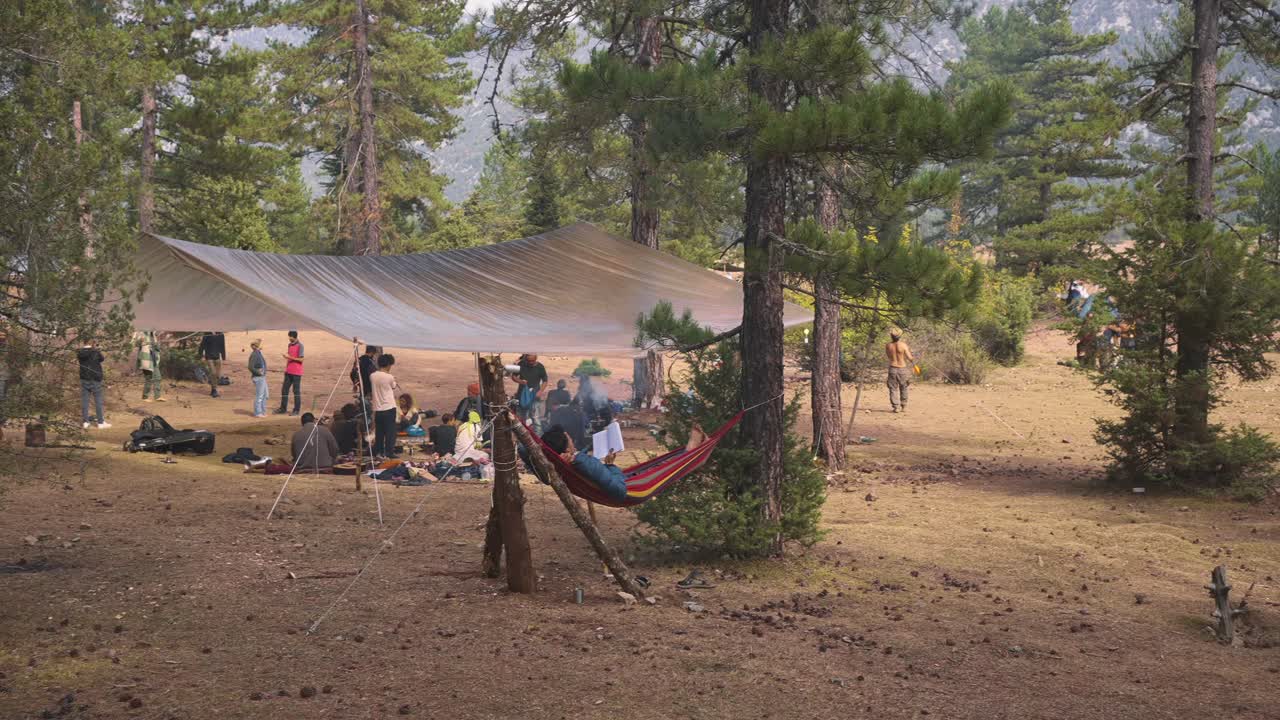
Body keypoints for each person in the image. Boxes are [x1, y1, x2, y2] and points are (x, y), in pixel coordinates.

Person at [370, 353, 400, 459]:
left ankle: (378, 451)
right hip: (389, 407)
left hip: (377, 408)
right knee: (390, 432)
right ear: (388, 365)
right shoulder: (389, 377)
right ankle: (389, 452)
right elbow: (393, 386)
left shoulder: (372, 376)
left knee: (380, 432)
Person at [76, 340, 109, 429]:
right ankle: (100, 422)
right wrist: (97, 349)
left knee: (85, 401)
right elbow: (102, 359)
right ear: (92, 343)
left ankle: (85, 422)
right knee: (98, 400)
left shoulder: (80, 352)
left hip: (84, 379)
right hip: (95, 379)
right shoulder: (95, 352)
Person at [514, 353, 548, 432]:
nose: (530, 362)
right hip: (522, 395)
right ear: (525, 359)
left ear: (536, 359)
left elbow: (545, 381)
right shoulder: (520, 364)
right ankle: (521, 440)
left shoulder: (540, 367)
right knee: (521, 419)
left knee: (535, 418)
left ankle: (538, 438)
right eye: (528, 361)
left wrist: (540, 391)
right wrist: (521, 381)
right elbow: (513, 376)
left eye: (532, 361)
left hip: (534, 396)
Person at [885, 328, 915, 414]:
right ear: (900, 336)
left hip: (892, 368)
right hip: (902, 368)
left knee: (893, 388)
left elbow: (889, 356)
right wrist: (912, 356)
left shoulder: (888, 345)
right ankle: (903, 405)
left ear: (891, 336)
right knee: (904, 386)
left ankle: (896, 407)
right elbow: (910, 358)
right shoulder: (903, 345)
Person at [276, 330, 304, 416]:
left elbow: (301, 359)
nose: (289, 338)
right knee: (284, 390)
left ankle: (296, 410)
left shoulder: (300, 346)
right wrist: (286, 357)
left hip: (296, 372)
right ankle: (283, 408)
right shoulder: (289, 345)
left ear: (293, 337)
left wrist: (290, 357)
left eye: (289, 337)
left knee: (296, 391)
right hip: (288, 371)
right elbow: (290, 357)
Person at [134, 330, 165, 402]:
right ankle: (145, 397)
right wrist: (143, 342)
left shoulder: (153, 335)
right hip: (146, 359)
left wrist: (156, 345)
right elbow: (135, 343)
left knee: (158, 377)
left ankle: (157, 396)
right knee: (149, 378)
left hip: (154, 360)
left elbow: (157, 348)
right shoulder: (141, 332)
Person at [350, 344, 379, 416]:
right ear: (372, 352)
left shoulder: (358, 360)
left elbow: (353, 373)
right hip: (369, 387)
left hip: (361, 386)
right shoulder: (370, 362)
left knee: (363, 402)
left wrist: (355, 383)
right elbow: (373, 375)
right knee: (369, 407)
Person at [199, 331, 226, 398]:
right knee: (213, 373)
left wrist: (223, 357)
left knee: (217, 375)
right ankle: (214, 390)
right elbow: (202, 345)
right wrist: (201, 356)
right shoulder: (207, 334)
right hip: (209, 357)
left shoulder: (220, 334)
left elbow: (222, 345)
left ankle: (213, 389)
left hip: (217, 357)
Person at [248, 338, 268, 418]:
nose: (259, 345)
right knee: (260, 395)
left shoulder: (258, 353)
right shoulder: (254, 354)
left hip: (261, 377)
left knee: (265, 394)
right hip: (258, 377)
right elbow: (250, 367)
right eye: (257, 344)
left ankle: (262, 411)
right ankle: (258, 412)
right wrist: (259, 372)